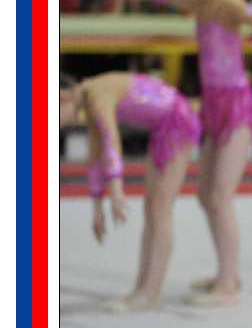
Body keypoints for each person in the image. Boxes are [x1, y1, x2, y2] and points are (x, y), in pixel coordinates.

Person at [133, 0, 252, 305]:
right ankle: (224, 272)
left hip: (236, 106)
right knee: (205, 194)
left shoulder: (227, 2)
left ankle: (229, 284)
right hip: (213, 105)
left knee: (219, 195)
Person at [61, 72, 201, 311]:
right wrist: (97, 207)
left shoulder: (97, 94)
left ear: (62, 97)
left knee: (160, 208)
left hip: (177, 120)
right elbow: (96, 153)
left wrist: (116, 191)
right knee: (152, 208)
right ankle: (142, 288)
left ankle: (150, 292)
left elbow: (111, 141)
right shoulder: (89, 97)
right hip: (164, 126)